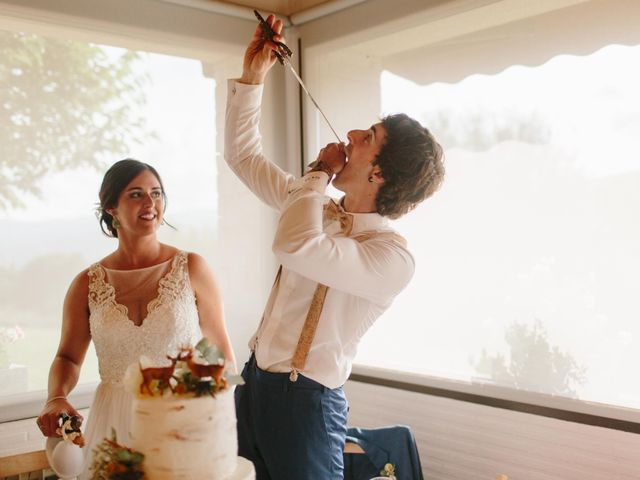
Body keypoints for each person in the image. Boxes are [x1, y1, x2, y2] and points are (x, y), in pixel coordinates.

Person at [226, 14, 445, 480]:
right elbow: (243, 158)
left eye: (367, 139)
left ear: (379, 172)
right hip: (254, 388)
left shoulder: (391, 258)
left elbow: (296, 246)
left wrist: (319, 173)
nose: (350, 137)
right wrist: (254, 76)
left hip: (307, 407)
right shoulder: (314, 206)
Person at [36, 159, 236, 478]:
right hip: (112, 425)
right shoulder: (86, 284)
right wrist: (56, 397)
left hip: (178, 422)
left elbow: (222, 355)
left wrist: (207, 414)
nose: (150, 203)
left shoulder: (193, 268)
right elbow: (67, 357)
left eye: (156, 193)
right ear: (110, 206)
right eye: (136, 194)